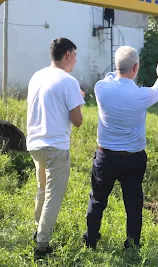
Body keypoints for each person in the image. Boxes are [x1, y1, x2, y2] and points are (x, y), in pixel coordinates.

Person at [82, 46, 158, 250]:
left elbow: (110, 76)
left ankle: (91, 240)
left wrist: (116, 71)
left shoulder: (101, 88)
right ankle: (132, 244)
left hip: (105, 157)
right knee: (133, 203)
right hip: (133, 159)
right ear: (136, 67)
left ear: (116, 66)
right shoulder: (143, 95)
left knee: (97, 200)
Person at [26, 37, 85, 258]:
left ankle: (38, 230)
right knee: (53, 196)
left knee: (42, 190)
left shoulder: (37, 76)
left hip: (35, 143)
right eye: (75, 56)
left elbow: (48, 103)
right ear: (68, 54)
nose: (76, 62)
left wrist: (73, 98)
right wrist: (77, 102)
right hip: (56, 146)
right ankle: (42, 246)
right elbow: (77, 120)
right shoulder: (68, 81)